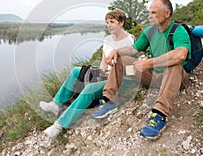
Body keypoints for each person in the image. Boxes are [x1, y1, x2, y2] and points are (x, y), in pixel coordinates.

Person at [93, 0, 190, 140]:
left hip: (175, 78)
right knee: (122, 58)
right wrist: (117, 52)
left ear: (167, 13)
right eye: (149, 12)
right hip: (153, 77)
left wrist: (149, 63)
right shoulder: (150, 31)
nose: (149, 16)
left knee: (173, 65)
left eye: (154, 13)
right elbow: (133, 48)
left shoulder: (178, 30)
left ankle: (159, 116)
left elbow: (180, 54)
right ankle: (110, 101)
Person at [39, 9, 135, 138]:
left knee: (90, 89)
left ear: (121, 22)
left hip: (119, 80)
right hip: (106, 74)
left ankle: (59, 125)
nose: (109, 25)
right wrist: (96, 74)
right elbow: (103, 63)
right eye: (107, 22)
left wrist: (105, 77)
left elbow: (129, 67)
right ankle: (56, 104)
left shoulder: (129, 40)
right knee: (76, 72)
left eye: (112, 22)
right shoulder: (107, 39)